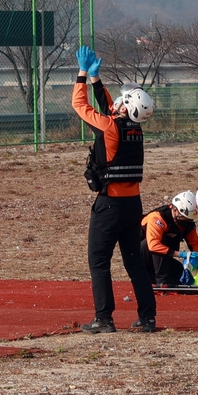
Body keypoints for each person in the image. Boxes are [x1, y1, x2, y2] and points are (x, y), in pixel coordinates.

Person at [71, 46, 157, 334]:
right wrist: (98, 81)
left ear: (127, 107)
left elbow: (79, 106)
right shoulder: (135, 129)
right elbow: (111, 108)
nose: (118, 102)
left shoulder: (109, 128)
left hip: (109, 206)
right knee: (134, 264)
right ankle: (147, 318)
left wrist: (83, 74)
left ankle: (104, 318)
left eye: (123, 100)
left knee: (98, 261)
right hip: (133, 205)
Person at [141, 190, 198, 287]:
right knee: (161, 239)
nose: (188, 221)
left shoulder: (187, 223)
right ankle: (162, 282)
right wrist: (181, 254)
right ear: (175, 211)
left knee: (181, 276)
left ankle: (157, 279)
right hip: (141, 258)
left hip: (163, 259)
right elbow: (153, 245)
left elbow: (194, 243)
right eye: (185, 218)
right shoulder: (158, 218)